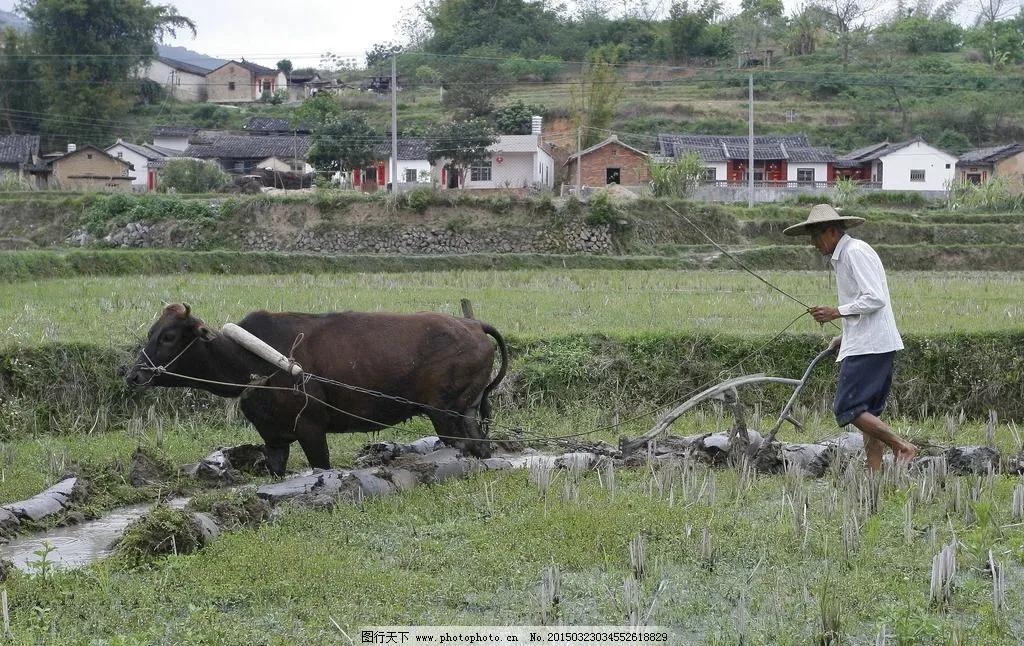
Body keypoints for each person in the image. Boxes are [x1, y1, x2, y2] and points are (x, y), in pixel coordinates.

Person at [784, 204, 916, 470]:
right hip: (870, 341)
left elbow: (875, 298)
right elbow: (862, 302)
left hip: (870, 345)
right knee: (869, 415)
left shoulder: (855, 252)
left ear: (832, 232)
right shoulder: (846, 256)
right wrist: (845, 336)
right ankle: (874, 476)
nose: (813, 243)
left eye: (815, 236)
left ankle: (902, 445)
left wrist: (836, 312)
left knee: (848, 408)